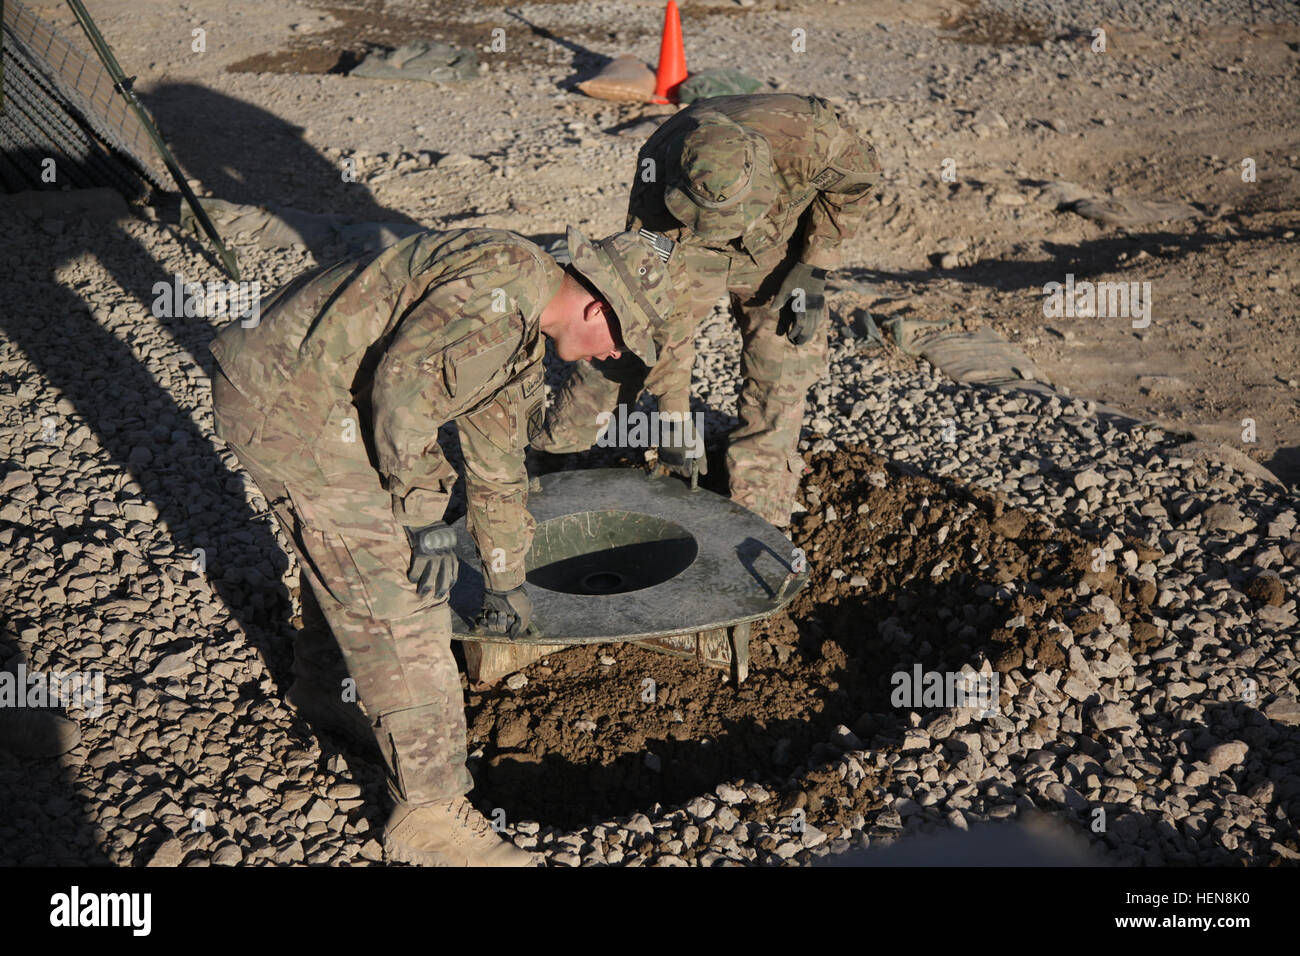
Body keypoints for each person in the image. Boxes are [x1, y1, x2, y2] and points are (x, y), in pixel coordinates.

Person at [208, 227, 671, 865]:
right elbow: (403, 389)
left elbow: (497, 458)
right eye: (617, 343)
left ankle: (325, 690)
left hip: (320, 392)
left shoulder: (520, 323)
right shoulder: (500, 294)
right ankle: (427, 812)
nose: (612, 356)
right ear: (596, 308)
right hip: (293, 400)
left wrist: (506, 577)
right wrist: (423, 516)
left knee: (349, 556)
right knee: (399, 588)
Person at [535, 93, 881, 527]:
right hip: (691, 250)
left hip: (779, 246)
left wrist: (814, 267)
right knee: (621, 339)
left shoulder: (809, 136)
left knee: (784, 366)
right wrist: (675, 418)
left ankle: (759, 514)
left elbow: (855, 183)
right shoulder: (656, 176)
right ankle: (547, 458)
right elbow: (659, 314)